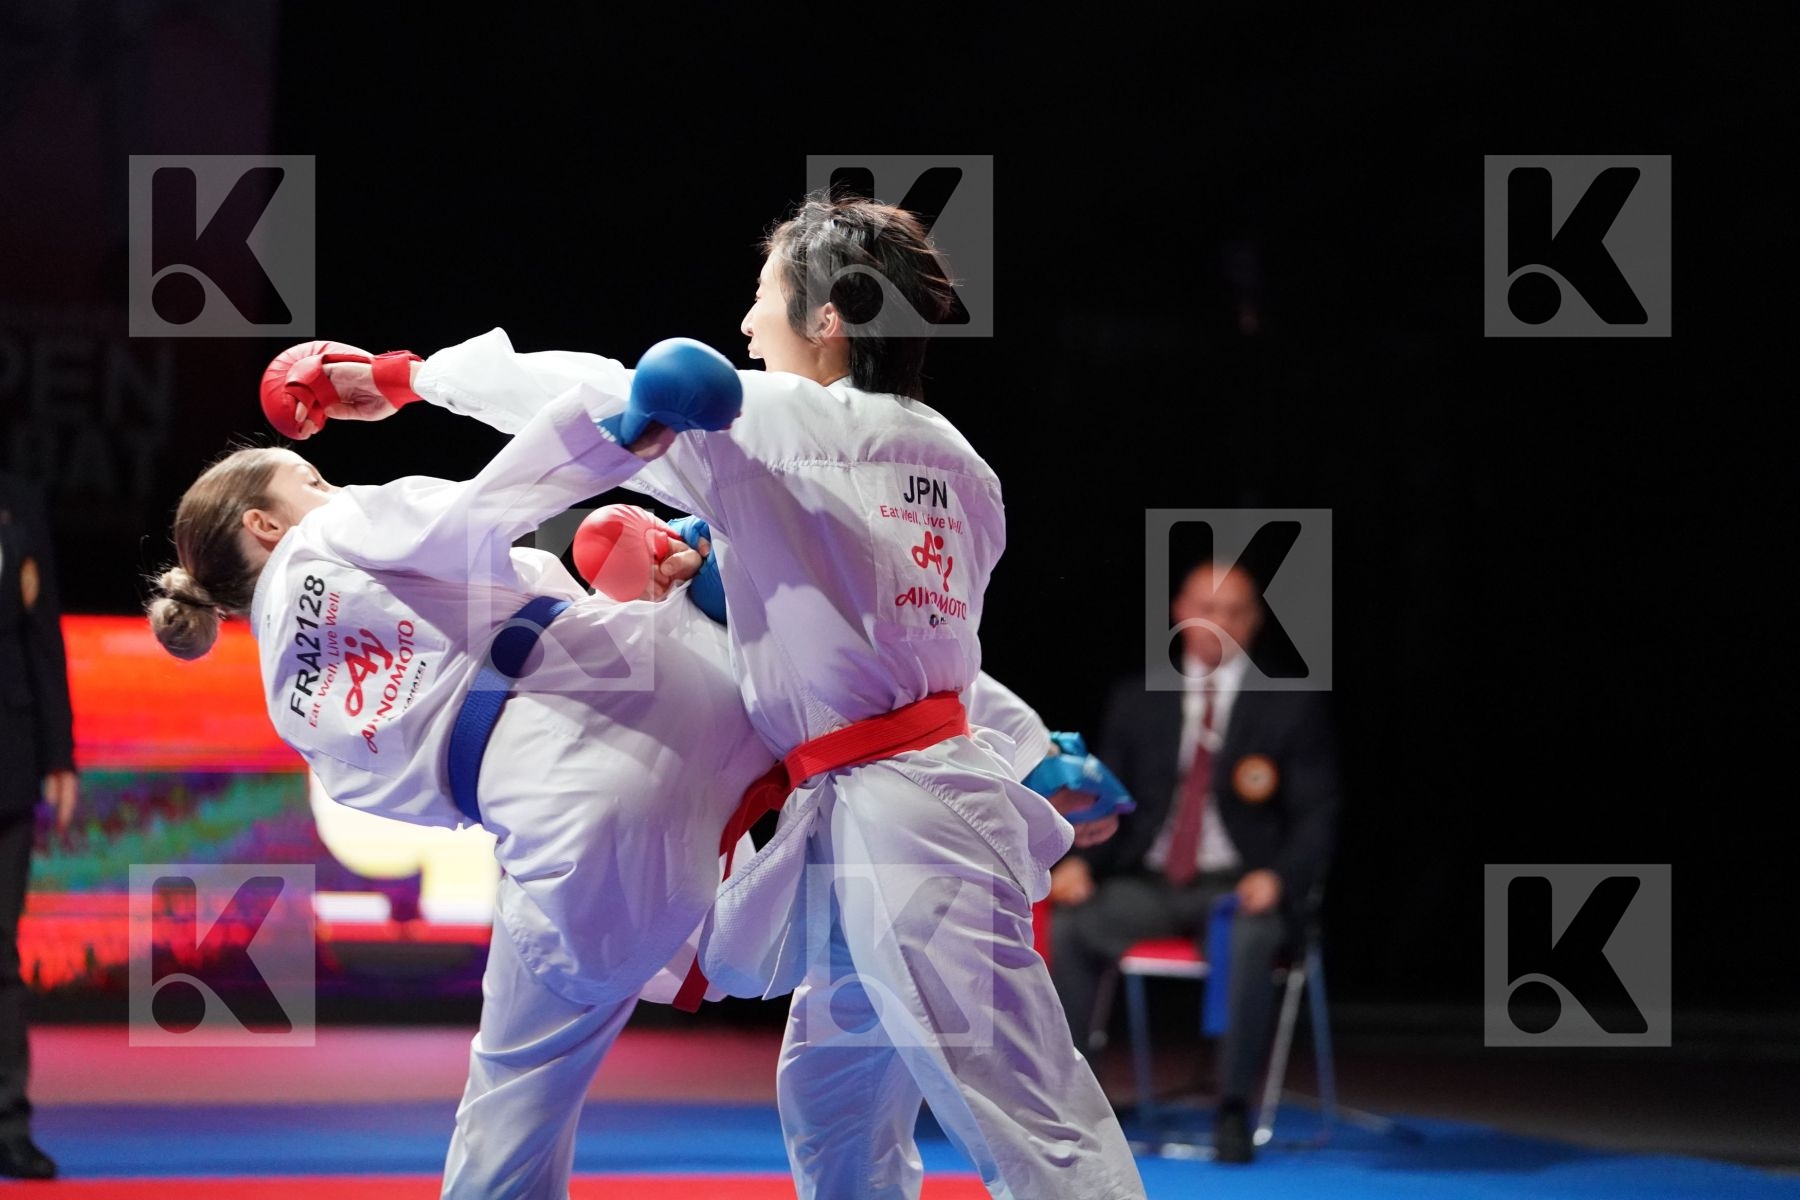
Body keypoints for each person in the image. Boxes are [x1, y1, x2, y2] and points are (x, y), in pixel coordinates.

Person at [307, 192, 1146, 1199]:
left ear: (831, 317)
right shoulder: (964, 467)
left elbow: (589, 395)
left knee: (1023, 1108)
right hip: (889, 803)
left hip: (904, 822)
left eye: (763, 300)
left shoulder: (774, 422)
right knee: (837, 1107)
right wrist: (723, 573)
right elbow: (900, 647)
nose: (747, 326)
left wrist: (406, 378)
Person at [1048, 558, 1341, 1163]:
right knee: (1073, 924)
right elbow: (1106, 799)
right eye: (1209, 610)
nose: (1222, 624)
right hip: (1149, 883)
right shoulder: (1137, 698)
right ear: (1181, 613)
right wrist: (1079, 859)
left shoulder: (1289, 704)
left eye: (1235, 612)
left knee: (1252, 934)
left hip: (1236, 886)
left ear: (1254, 622)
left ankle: (1233, 1107)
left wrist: (1280, 878)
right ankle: (1067, 1099)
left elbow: (1319, 813)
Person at [0, 472, 78, 1181]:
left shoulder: (18, 498)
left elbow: (40, 631)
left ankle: (8, 1124)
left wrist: (60, 754)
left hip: (10, 757)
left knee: (0, 954)